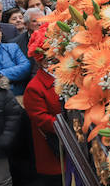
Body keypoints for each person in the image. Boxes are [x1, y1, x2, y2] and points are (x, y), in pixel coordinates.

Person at [23, 26, 63, 186]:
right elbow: (42, 119)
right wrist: (68, 128)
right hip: (54, 147)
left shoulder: (64, 77)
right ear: (42, 62)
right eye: (52, 60)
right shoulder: (34, 87)